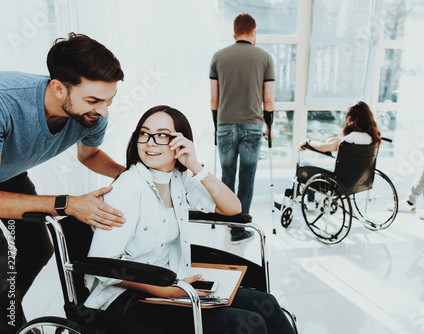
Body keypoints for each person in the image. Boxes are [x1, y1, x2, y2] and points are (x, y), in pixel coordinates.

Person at [84, 105, 295, 334]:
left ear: (180, 141)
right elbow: (103, 265)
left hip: (171, 280)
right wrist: (164, 290)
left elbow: (233, 208)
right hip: (125, 298)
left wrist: (194, 164)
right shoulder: (128, 189)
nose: (151, 142)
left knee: (268, 305)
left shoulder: (178, 178)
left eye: (163, 135)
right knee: (243, 324)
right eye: (144, 134)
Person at [0, 33, 125, 333]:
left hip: (8, 171)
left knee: (36, 248)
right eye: (94, 100)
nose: (104, 111)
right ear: (58, 88)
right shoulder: (6, 103)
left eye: (109, 100)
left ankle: (7, 316)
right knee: (2, 265)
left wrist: (131, 174)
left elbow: (90, 154)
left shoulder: (93, 115)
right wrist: (67, 203)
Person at [210, 13, 275, 244]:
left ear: (234, 32)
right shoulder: (265, 58)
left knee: (226, 176)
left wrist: (217, 126)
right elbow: (268, 100)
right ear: (253, 31)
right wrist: (269, 125)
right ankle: (239, 230)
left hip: (225, 125)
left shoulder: (218, 57)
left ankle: (227, 221)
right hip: (253, 126)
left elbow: (214, 100)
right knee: (247, 178)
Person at [299, 101, 382, 153]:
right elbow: (332, 142)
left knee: (304, 164)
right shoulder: (371, 137)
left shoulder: (352, 138)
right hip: (361, 177)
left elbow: (323, 148)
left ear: (351, 119)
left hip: (343, 177)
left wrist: (308, 142)